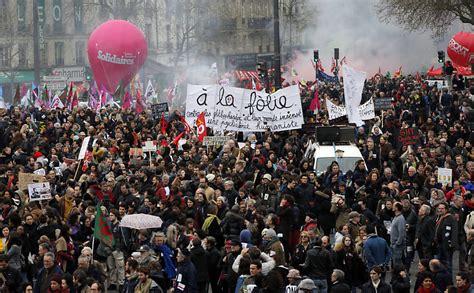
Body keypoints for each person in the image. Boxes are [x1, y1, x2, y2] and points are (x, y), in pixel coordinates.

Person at [434, 202, 458, 276]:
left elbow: (454, 231)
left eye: (442, 208)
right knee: (438, 263)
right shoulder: (438, 217)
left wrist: (452, 243)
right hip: (439, 244)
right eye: (439, 208)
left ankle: (449, 280)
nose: (440, 210)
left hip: (447, 245)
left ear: (446, 209)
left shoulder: (451, 218)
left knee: (448, 264)